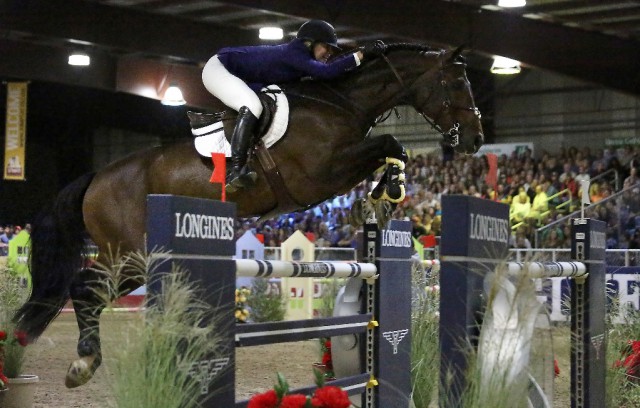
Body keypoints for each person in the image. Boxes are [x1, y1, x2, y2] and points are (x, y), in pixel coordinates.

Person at [202, 19, 386, 193]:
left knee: (261, 100)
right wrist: (360, 55)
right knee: (253, 106)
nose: (329, 53)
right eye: (326, 47)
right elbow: (327, 72)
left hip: (242, 76)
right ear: (309, 43)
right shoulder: (295, 53)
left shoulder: (300, 58)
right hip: (219, 69)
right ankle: (236, 169)